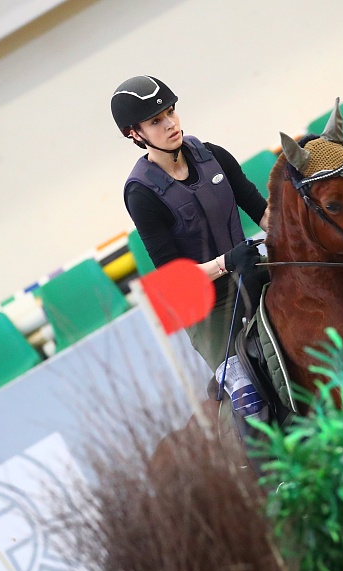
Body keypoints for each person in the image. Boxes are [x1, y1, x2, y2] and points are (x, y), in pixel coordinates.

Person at [112, 75, 269, 373]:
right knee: (245, 391)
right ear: (134, 134)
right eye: (156, 121)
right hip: (208, 306)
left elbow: (263, 215)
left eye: (170, 112)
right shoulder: (141, 194)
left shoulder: (213, 154)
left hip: (250, 271)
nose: (171, 124)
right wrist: (227, 262)